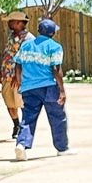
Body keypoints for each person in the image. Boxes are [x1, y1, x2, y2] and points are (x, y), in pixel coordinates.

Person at [13, 16, 68, 161]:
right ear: (53, 33)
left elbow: (18, 65)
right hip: (49, 87)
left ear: (38, 31)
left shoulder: (25, 45)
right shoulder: (55, 46)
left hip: (29, 88)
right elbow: (56, 69)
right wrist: (61, 90)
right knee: (57, 117)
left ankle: (22, 144)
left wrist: (19, 82)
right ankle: (62, 148)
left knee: (28, 117)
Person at [0, 9, 29, 143]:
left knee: (21, 102)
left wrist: (19, 76)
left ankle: (25, 128)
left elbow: (28, 60)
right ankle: (16, 124)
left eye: (11, 21)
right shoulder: (11, 37)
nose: (9, 23)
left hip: (19, 77)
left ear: (19, 23)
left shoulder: (29, 39)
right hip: (7, 75)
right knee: (9, 102)